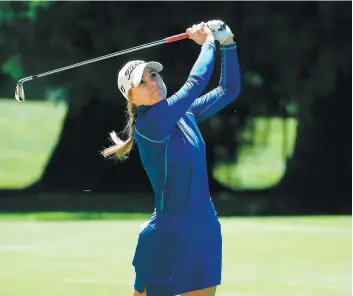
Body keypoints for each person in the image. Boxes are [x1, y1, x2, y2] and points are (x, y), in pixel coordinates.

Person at [102, 20, 241, 296]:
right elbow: (195, 83)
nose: (152, 83)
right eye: (142, 83)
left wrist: (228, 44)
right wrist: (209, 42)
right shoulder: (150, 123)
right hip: (169, 233)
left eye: (153, 75)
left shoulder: (183, 114)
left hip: (204, 227)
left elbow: (228, 90)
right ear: (133, 98)